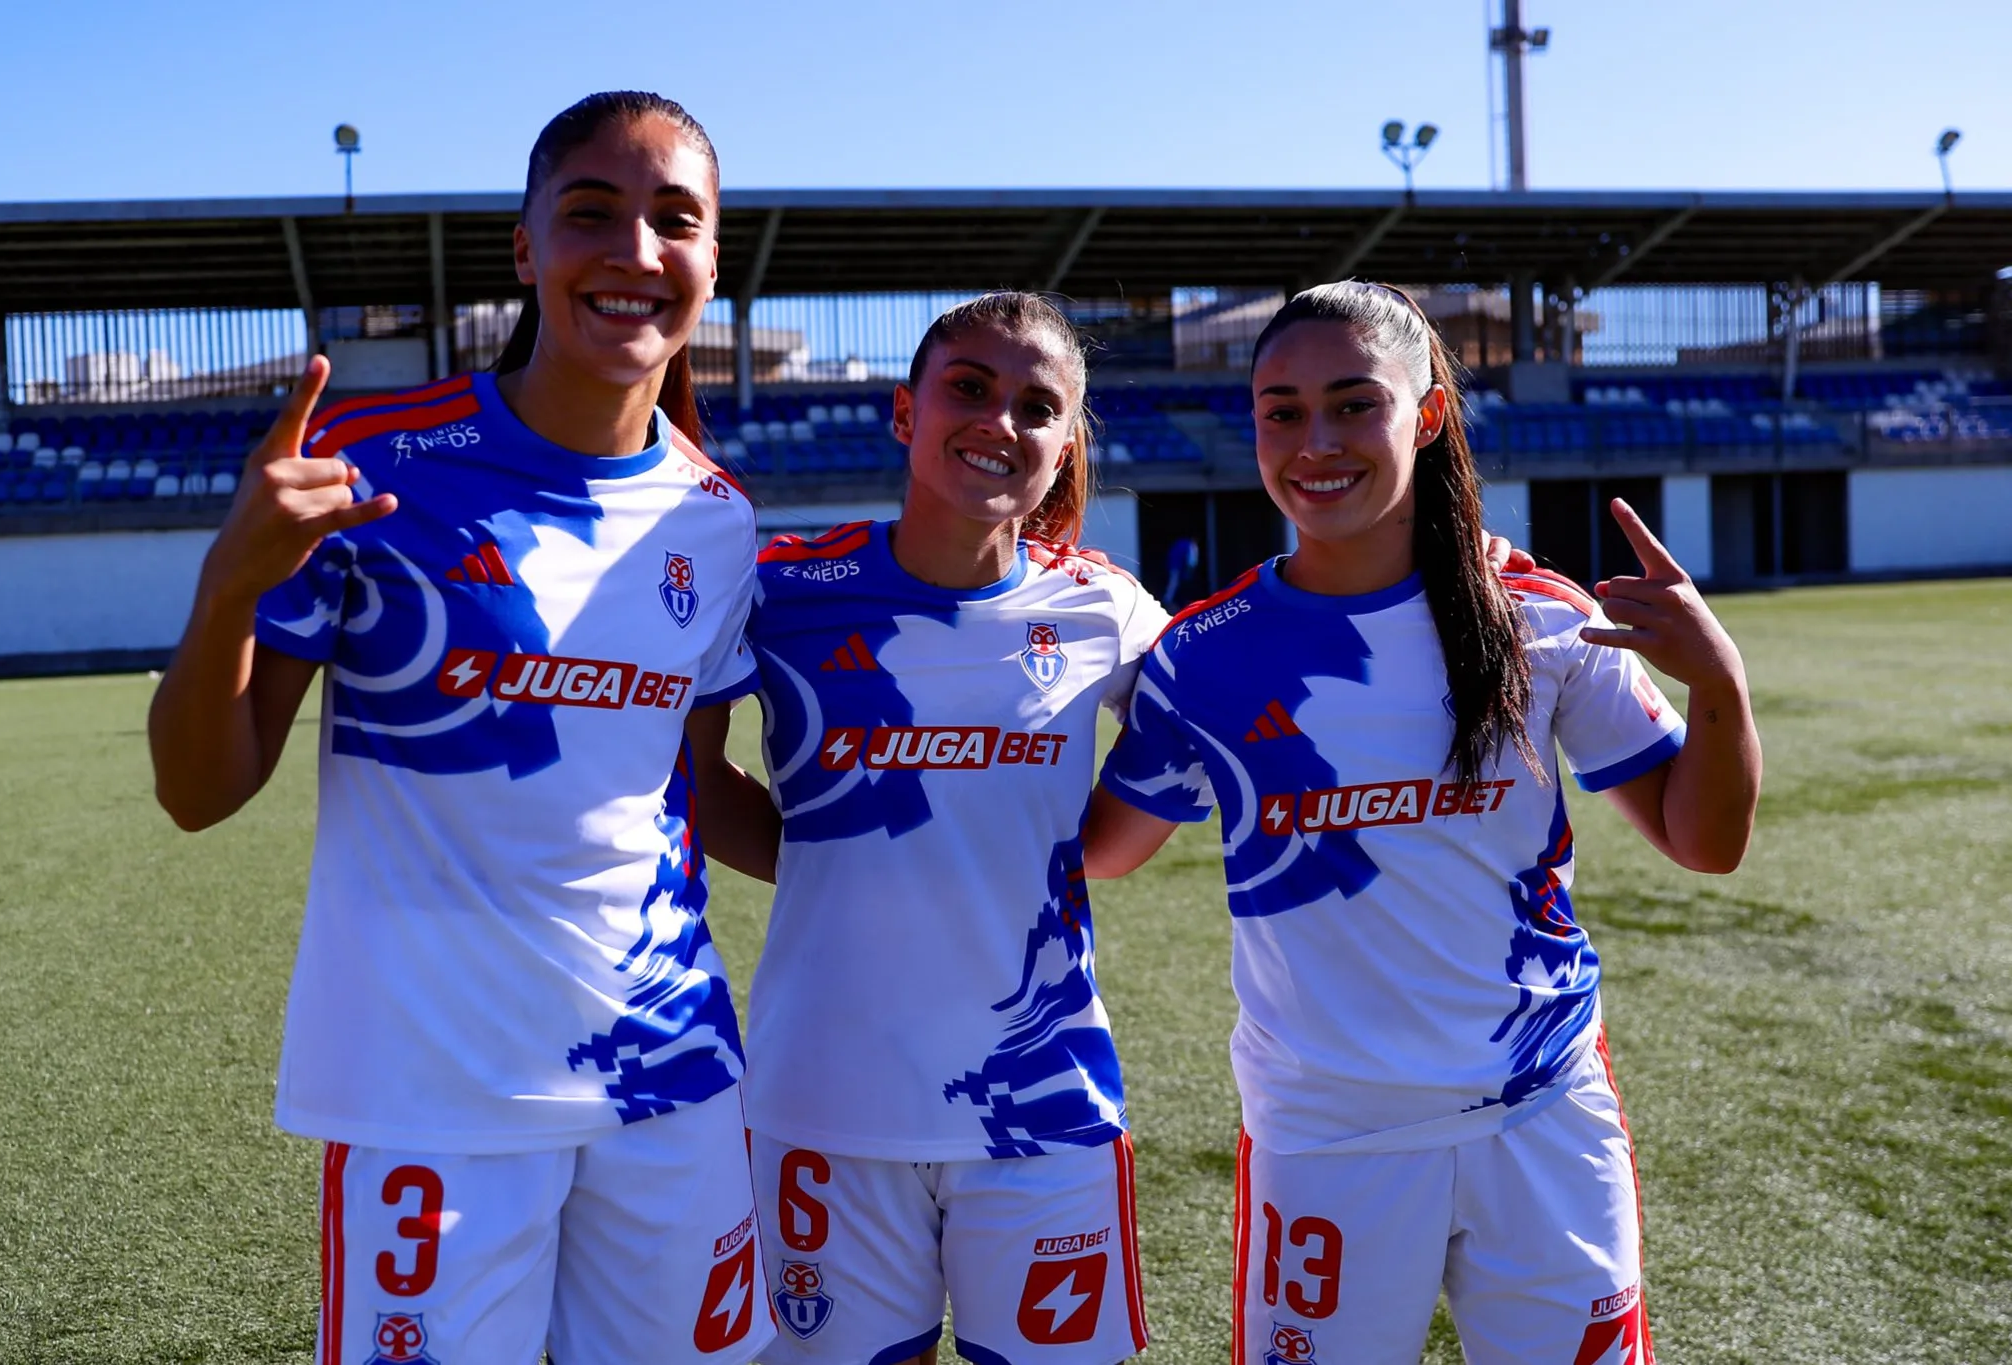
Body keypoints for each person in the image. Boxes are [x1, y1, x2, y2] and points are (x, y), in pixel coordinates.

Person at [147, 92, 774, 1365]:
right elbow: (199, 790)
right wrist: (230, 583)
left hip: (671, 1077)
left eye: (676, 221)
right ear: (525, 246)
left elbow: (697, 792)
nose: (636, 252)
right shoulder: (371, 468)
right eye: (591, 213)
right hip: (434, 1095)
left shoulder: (716, 519)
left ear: (714, 258)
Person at [1084, 282, 1761, 1365]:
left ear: (1429, 413)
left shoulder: (1538, 618)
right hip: (1325, 1138)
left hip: (1541, 1119)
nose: (1316, 441)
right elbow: (1097, 855)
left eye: (1355, 404)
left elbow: (1704, 839)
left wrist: (1720, 681)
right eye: (1282, 409)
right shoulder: (1201, 659)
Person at [687, 292, 1166, 1365]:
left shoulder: (1107, 611)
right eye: (969, 388)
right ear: (906, 414)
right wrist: (828, 865)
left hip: (1042, 1113)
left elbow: (1185, 766)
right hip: (824, 1110)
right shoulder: (783, 593)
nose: (1000, 420)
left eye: (1037, 406)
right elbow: (696, 777)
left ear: (1065, 446)